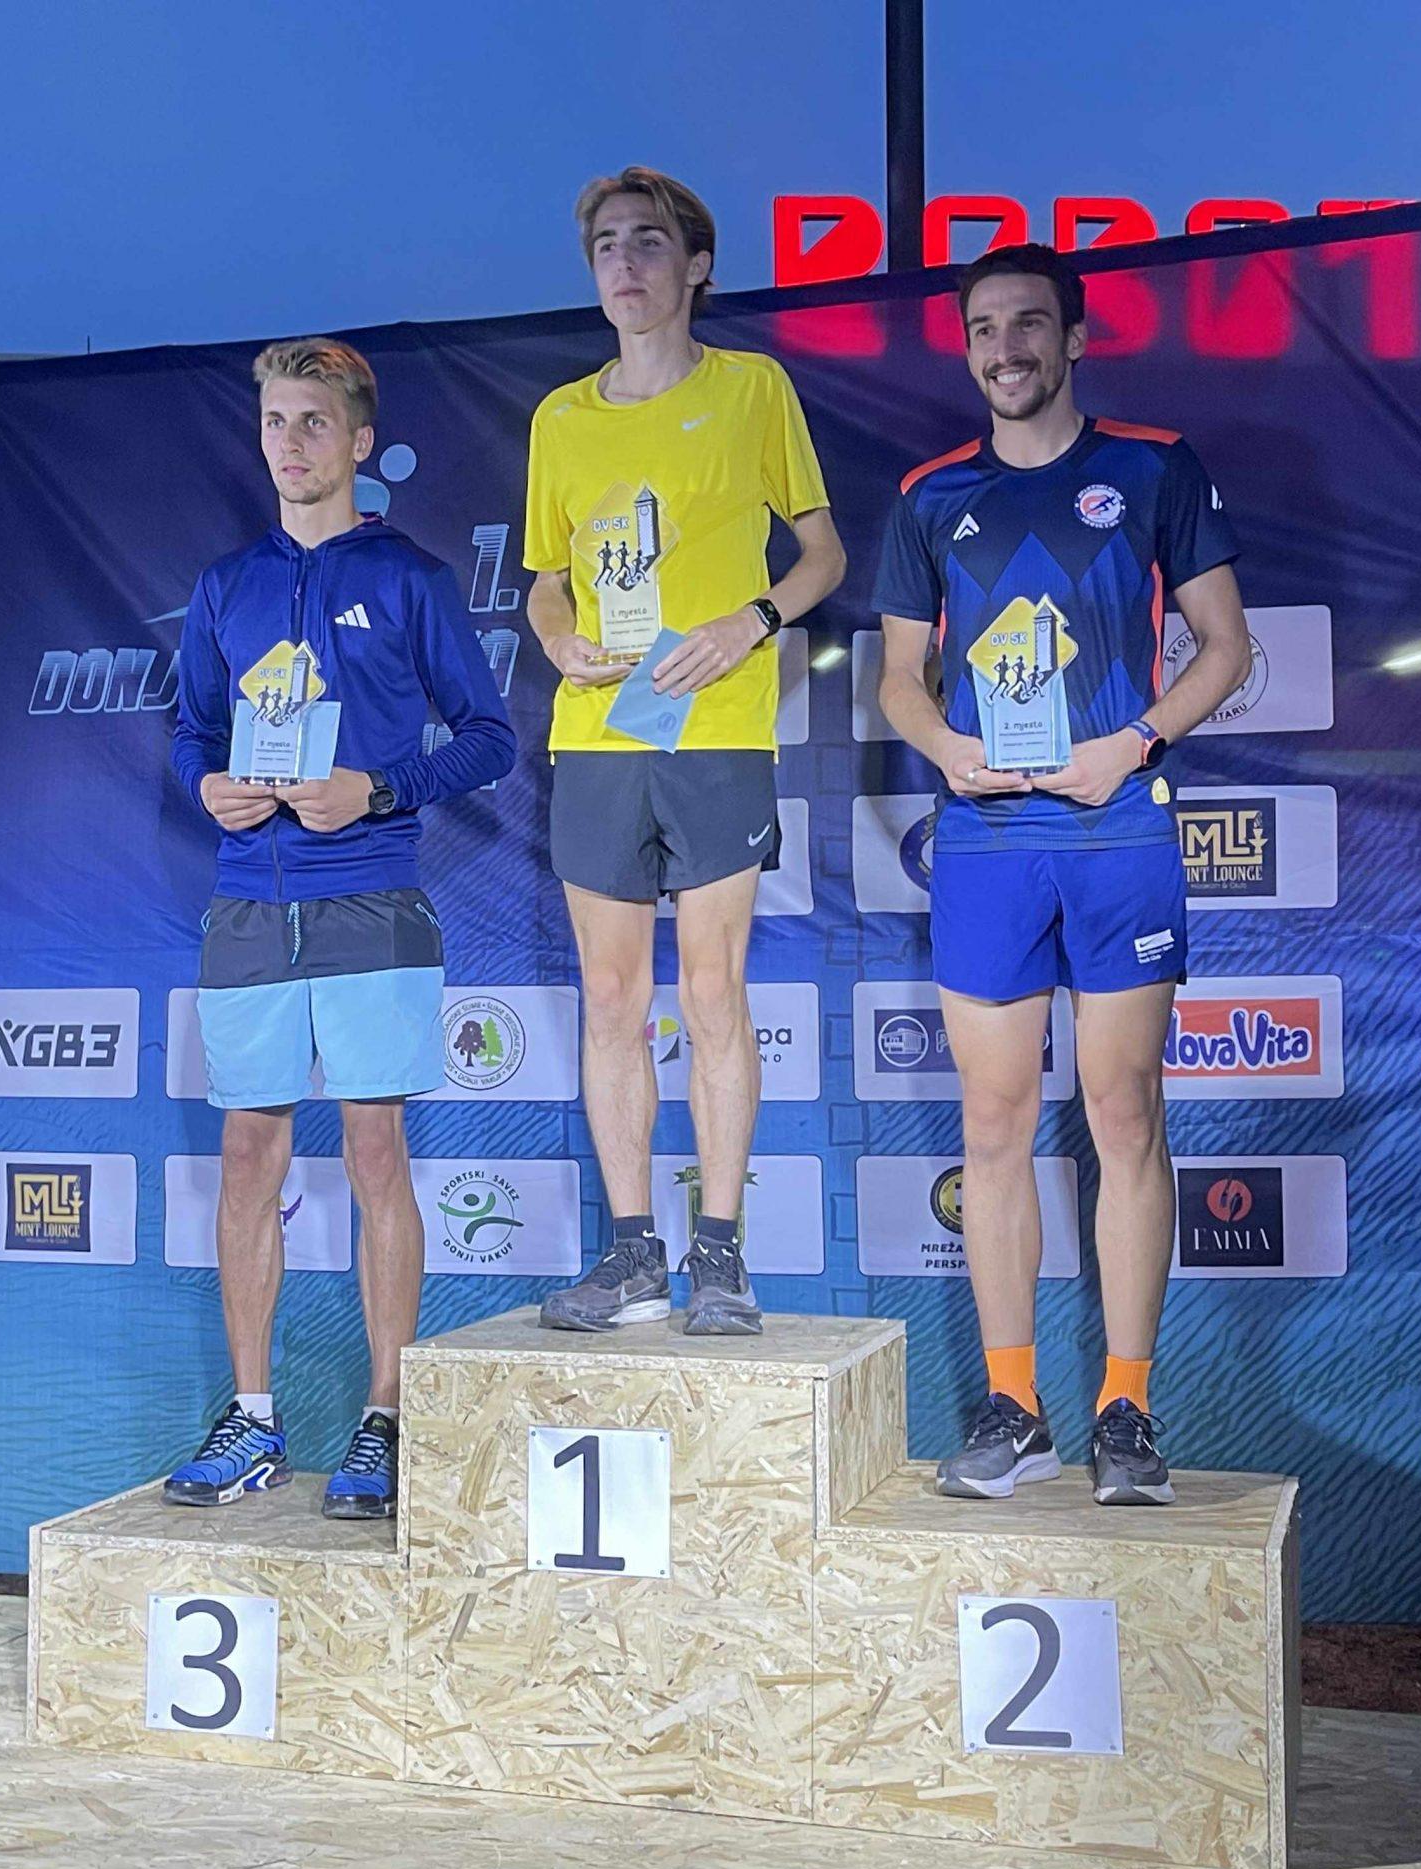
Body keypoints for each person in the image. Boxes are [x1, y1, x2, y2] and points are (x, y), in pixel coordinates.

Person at [873, 243, 1256, 1505]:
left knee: (1124, 1113)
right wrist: (948, 752)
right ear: (967, 347)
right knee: (991, 1127)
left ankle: (1126, 1411)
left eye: (1030, 324)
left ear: (1074, 339)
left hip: (1118, 831)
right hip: (987, 842)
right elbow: (897, 680)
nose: (1007, 347)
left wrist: (1132, 743)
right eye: (986, 327)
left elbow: (1224, 646)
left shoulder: (1151, 468)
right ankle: (1015, 1408)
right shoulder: (929, 496)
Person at [165, 337, 515, 1517]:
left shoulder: (410, 579)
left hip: (370, 893)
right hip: (249, 901)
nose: (291, 441)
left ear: (360, 441)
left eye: (313, 421)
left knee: (374, 1153)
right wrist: (207, 786)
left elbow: (489, 737)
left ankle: (386, 1420)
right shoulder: (226, 585)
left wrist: (378, 788)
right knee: (246, 1159)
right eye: (275, 420)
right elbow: (191, 732)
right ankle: (253, 1418)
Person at [523, 166, 845, 1336]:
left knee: (713, 990)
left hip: (715, 730)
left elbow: (822, 556)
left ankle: (720, 1254)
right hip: (599, 734)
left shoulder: (753, 389)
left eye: (648, 241)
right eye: (607, 243)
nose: (625, 262)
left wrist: (750, 620)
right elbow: (545, 583)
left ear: (696, 265)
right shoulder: (561, 418)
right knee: (611, 997)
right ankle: (628, 1256)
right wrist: (558, 639)